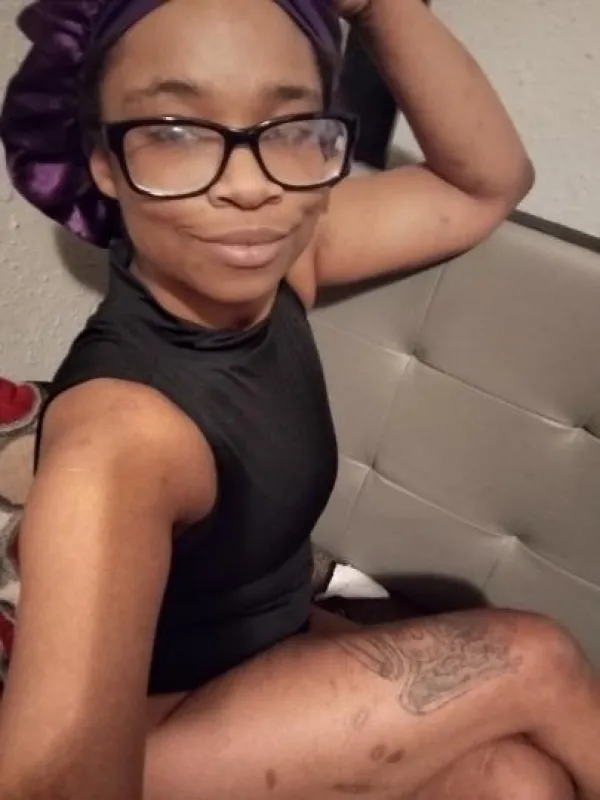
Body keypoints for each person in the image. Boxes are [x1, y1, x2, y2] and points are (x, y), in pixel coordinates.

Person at [0, 0, 598, 798]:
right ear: (103, 161)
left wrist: (377, 7)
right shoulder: (120, 440)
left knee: (518, 783)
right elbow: (52, 781)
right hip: (159, 741)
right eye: (175, 132)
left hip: (265, 673)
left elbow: (486, 185)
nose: (251, 186)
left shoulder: (282, 270)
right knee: (535, 656)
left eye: (289, 127)